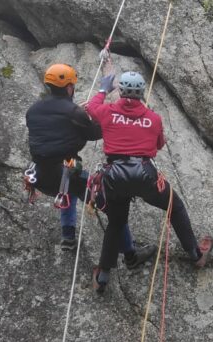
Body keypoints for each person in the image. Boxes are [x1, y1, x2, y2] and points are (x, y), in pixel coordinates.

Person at [85, 67, 213, 293]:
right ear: (142, 92)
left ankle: (102, 276)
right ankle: (195, 254)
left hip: (114, 174)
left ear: (121, 91)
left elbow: (91, 108)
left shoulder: (107, 111)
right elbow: (159, 145)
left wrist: (103, 90)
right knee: (174, 206)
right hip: (144, 173)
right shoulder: (153, 118)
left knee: (116, 222)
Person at [24, 63, 154, 267]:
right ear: (69, 87)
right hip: (63, 174)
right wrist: (90, 112)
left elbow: (55, 128)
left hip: (39, 175)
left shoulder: (33, 110)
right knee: (113, 209)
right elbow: (97, 132)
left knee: (68, 184)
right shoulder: (73, 112)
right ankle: (131, 255)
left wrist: (80, 114)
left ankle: (68, 236)